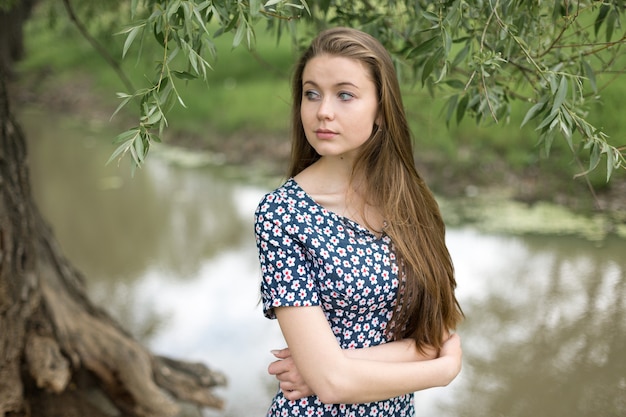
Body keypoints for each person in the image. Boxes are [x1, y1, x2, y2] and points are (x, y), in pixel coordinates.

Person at [253, 26, 464, 417]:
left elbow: (434, 334)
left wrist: (328, 365)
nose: (323, 111)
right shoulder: (283, 214)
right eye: (311, 93)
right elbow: (333, 386)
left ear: (381, 109)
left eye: (344, 95)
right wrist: (443, 370)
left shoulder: (409, 201)